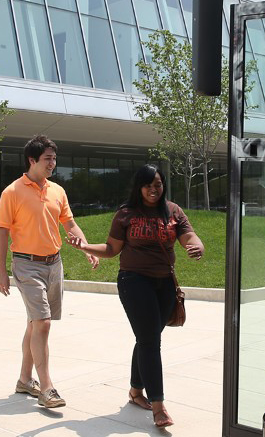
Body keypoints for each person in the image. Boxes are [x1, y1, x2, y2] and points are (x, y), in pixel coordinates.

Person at [71, 164, 204, 427]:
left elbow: (190, 236)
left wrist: (196, 246)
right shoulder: (126, 214)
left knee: (148, 338)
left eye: (158, 184)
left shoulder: (173, 210)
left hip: (165, 282)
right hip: (134, 281)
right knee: (150, 341)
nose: (153, 189)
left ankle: (135, 391)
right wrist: (85, 246)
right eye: (148, 185)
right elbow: (111, 249)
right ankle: (159, 406)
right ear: (138, 187)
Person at [0, 135, 98, 408]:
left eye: (54, 158)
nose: (53, 163)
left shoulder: (57, 191)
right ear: (32, 160)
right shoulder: (12, 192)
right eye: (47, 159)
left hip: (54, 263)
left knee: (34, 323)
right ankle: (47, 388)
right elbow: (2, 233)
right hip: (26, 264)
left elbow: (70, 225)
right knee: (43, 322)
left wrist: (87, 248)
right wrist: (1, 271)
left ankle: (24, 380)